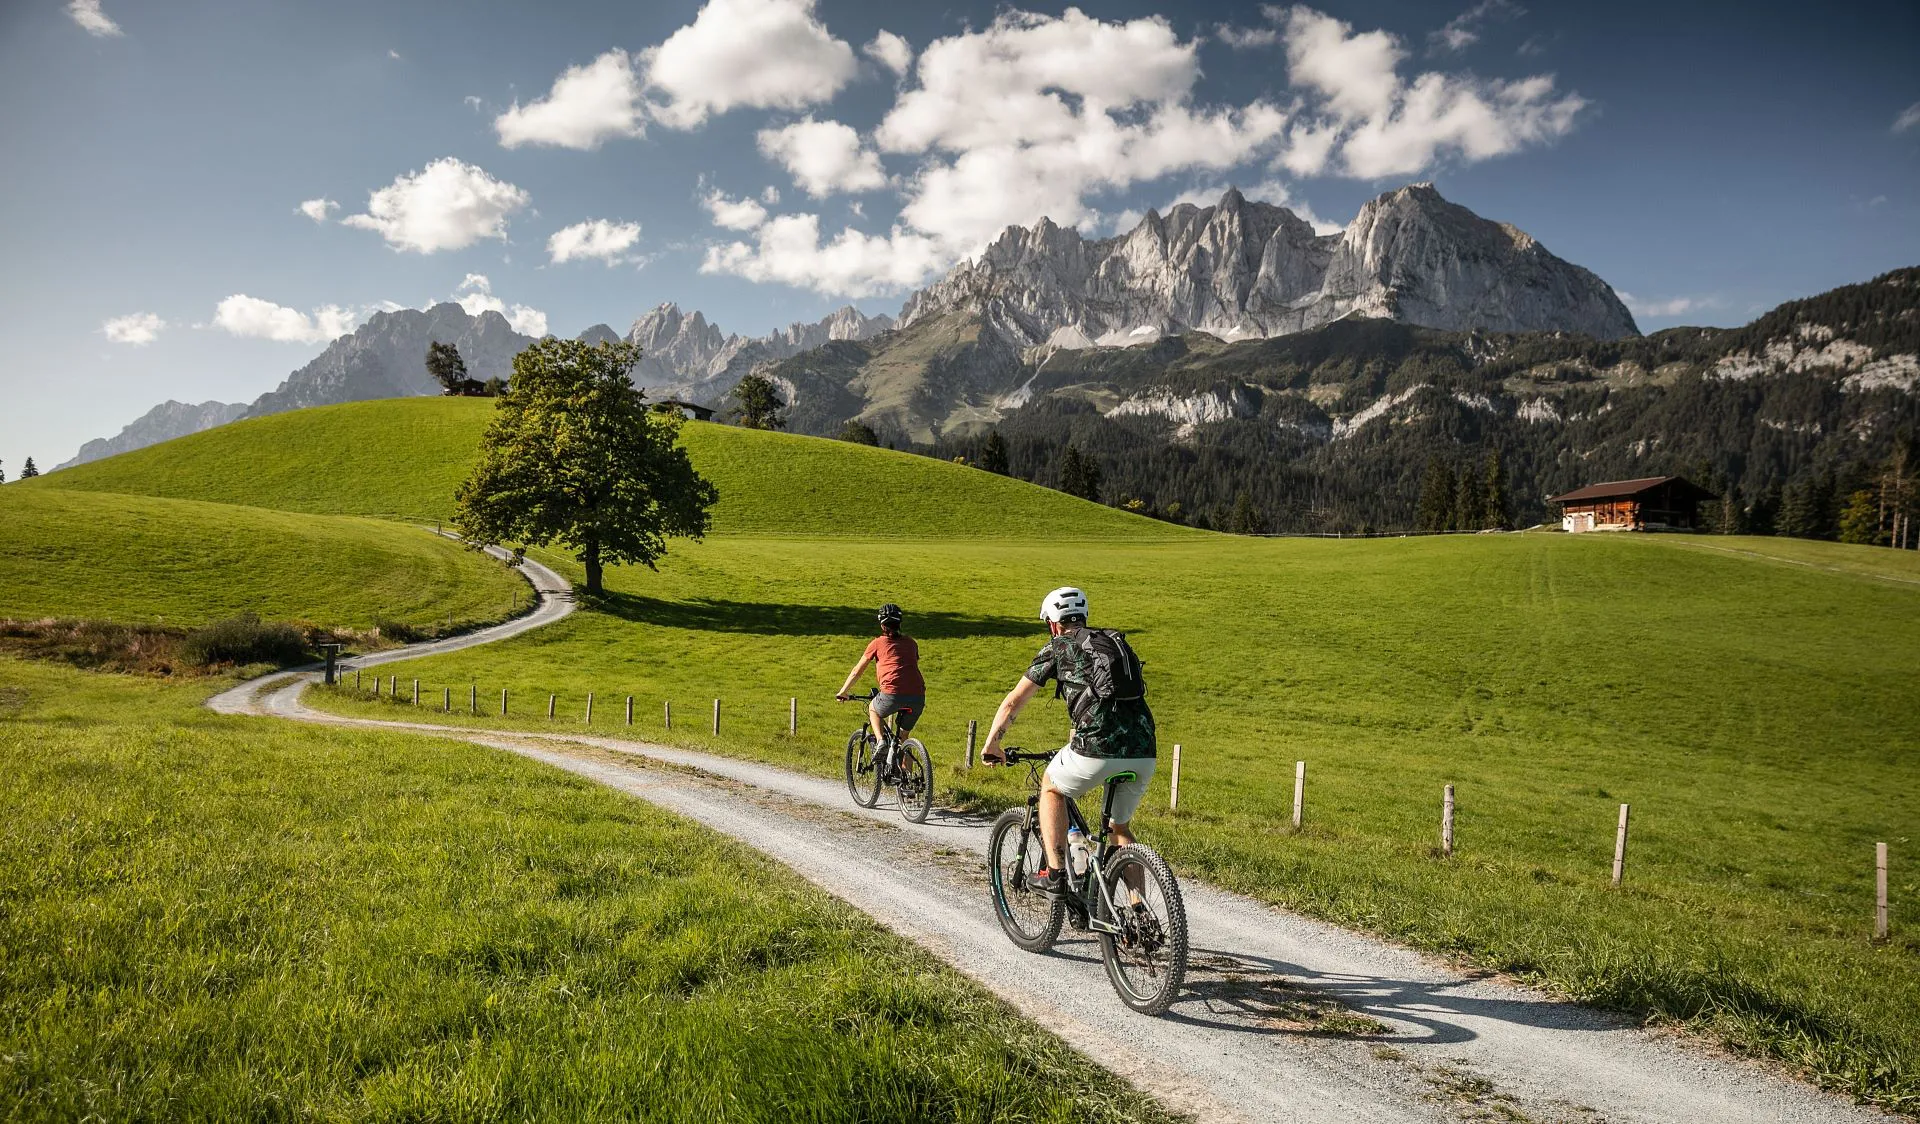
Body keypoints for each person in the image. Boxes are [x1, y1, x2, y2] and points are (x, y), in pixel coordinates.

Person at [982, 586, 1155, 893]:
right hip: (1144, 750)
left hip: (1096, 748)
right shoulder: (1113, 642)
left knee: (1051, 787)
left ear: (1053, 623)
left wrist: (992, 744)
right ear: (1083, 617)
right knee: (1119, 829)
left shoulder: (1058, 646)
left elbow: (1013, 702)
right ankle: (1138, 916)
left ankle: (1055, 873)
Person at [836, 603, 926, 773]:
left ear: (882, 625)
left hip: (892, 694)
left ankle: (880, 742)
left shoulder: (877, 643)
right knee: (903, 738)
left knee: (873, 709)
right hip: (918, 697)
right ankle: (908, 784)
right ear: (900, 623)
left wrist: (843, 692)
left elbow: (857, 671)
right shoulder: (912, 643)